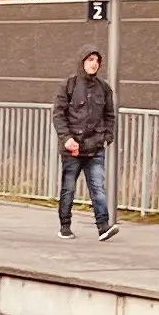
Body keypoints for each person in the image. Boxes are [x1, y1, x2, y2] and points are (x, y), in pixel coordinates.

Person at [54, 47, 118, 240]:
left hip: (95, 147)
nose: (94, 63)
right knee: (68, 188)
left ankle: (103, 226)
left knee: (98, 186)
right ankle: (65, 225)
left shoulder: (104, 88)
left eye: (97, 60)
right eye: (90, 59)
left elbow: (109, 115)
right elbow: (58, 114)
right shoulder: (68, 85)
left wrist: (107, 136)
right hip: (72, 148)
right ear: (82, 61)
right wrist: (66, 139)